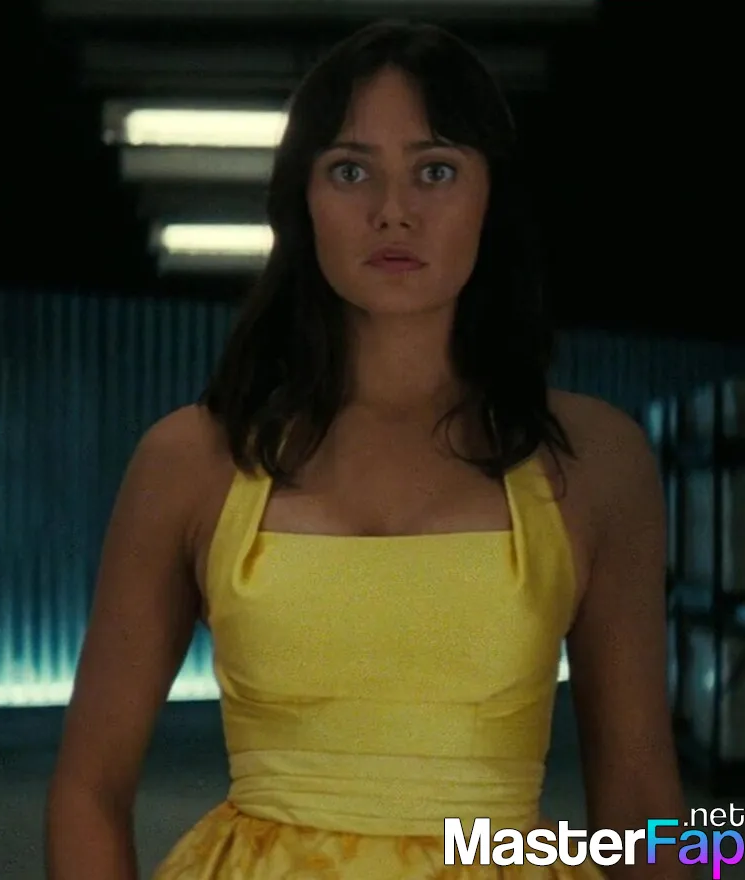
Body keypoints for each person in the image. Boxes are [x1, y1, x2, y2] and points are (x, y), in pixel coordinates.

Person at [45, 19, 689, 880]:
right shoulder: (190, 459)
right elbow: (87, 788)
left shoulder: (595, 459)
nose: (392, 210)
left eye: (435, 170)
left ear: (491, 197)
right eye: (350, 171)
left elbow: (645, 800)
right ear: (301, 200)